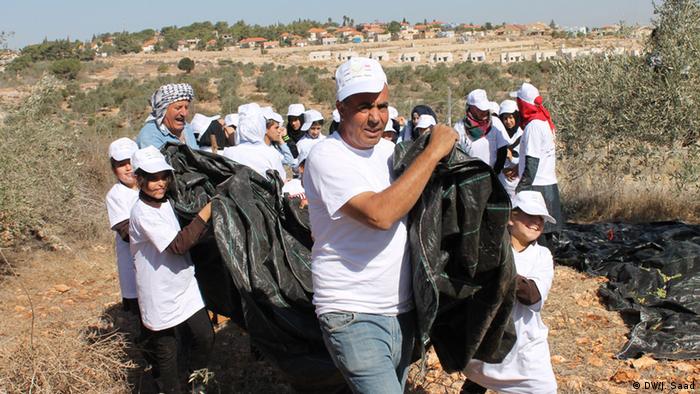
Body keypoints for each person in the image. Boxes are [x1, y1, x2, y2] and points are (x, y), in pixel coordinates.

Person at [303, 57, 458, 393]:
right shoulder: (326, 157)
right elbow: (380, 214)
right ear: (340, 109)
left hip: (401, 311)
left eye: (382, 105)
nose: (375, 117)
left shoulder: (391, 152)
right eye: (363, 107)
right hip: (353, 314)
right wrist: (430, 155)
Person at [128, 146, 215, 393]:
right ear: (139, 179)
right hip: (159, 292)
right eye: (152, 178)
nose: (160, 183)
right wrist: (206, 211)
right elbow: (178, 245)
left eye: (163, 177)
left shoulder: (167, 202)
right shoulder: (142, 213)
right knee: (167, 352)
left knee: (205, 337)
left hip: (184, 285)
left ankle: (196, 383)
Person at [463, 190, 557, 394]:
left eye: (540, 218)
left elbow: (533, 296)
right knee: (478, 375)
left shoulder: (542, 255)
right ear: (510, 217)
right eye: (530, 215)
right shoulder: (489, 247)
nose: (536, 222)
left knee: (543, 389)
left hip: (525, 344)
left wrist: (499, 271)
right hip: (485, 336)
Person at [514, 82, 562, 247]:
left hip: (537, 185)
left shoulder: (533, 126)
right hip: (548, 183)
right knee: (545, 233)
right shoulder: (544, 121)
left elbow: (533, 161)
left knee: (535, 232)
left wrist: (522, 188)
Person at [105, 138, 140, 317]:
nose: (128, 168)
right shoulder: (116, 195)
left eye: (131, 162)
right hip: (133, 259)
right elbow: (126, 233)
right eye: (122, 164)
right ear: (113, 169)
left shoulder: (151, 186)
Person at [222, 103, 287, 180]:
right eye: (276, 128)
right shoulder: (271, 154)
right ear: (262, 127)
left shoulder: (228, 153)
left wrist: (285, 138)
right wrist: (285, 138)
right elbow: (281, 180)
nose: (278, 131)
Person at [453, 89, 509, 173]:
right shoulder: (459, 127)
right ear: (470, 107)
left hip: (492, 175)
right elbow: (456, 154)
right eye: (479, 109)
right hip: (469, 177)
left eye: (485, 108)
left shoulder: (495, 123)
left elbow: (502, 150)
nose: (484, 111)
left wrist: (495, 173)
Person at [137, 83, 199, 150]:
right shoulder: (150, 135)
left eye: (186, 107)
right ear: (163, 110)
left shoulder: (187, 128)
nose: (184, 113)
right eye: (178, 108)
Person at [498, 100, 524, 201]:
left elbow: (526, 158)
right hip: (501, 180)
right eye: (505, 118)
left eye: (511, 117)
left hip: (517, 180)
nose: (508, 121)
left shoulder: (522, 135)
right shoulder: (499, 135)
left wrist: (512, 159)